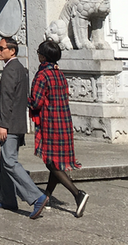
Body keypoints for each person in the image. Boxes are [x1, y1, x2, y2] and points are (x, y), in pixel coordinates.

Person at [30, 38, 89, 217]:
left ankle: (78, 194)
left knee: (50, 161)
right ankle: (47, 195)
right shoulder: (59, 74)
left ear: (44, 56)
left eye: (39, 51)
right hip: (64, 121)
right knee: (56, 161)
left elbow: (36, 102)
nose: (38, 54)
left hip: (50, 123)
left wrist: (23, 101)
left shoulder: (42, 75)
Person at [0, 36, 49, 218]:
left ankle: (37, 197)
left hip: (9, 124)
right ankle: (8, 199)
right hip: (17, 122)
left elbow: (9, 98)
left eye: (2, 48)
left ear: (12, 50)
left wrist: (3, 125)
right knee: (5, 163)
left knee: (9, 161)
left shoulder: (11, 69)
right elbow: (14, 96)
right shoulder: (20, 69)